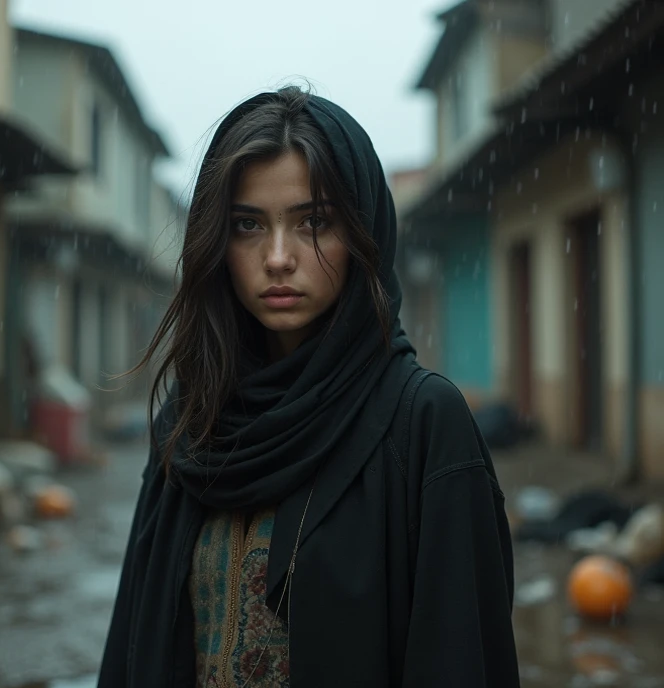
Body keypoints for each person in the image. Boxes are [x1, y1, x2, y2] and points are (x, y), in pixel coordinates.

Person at [97, 86, 520, 688]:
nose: (277, 257)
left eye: (314, 222)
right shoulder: (191, 424)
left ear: (362, 234)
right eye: (247, 225)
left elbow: (460, 660)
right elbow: (132, 648)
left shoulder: (422, 423)